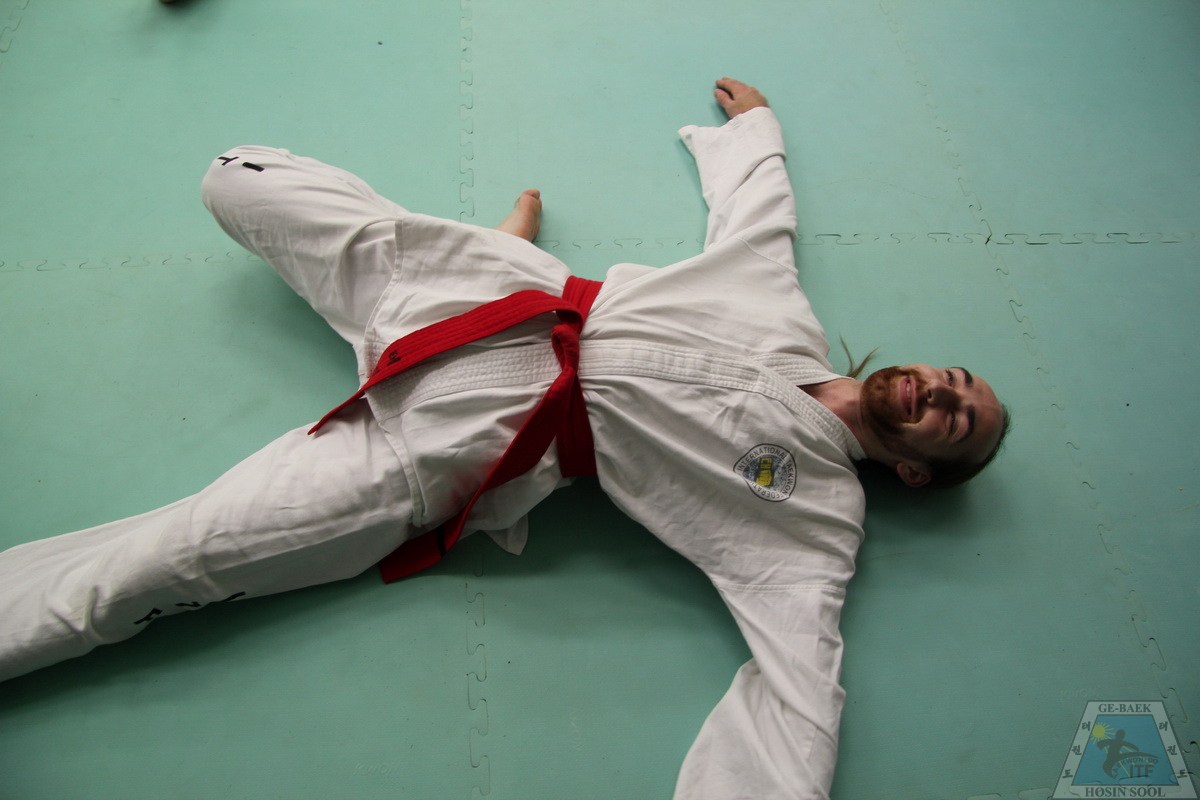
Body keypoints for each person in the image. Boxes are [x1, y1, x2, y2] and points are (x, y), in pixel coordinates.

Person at [0, 78, 1007, 798]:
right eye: (954, 376)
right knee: (235, 177)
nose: (939, 390)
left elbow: (801, 686)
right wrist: (756, 134)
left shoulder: (813, 516)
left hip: (450, 448)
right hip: (475, 291)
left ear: (915, 468)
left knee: (169, 559)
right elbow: (760, 217)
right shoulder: (780, 310)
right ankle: (499, 240)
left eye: (955, 418)